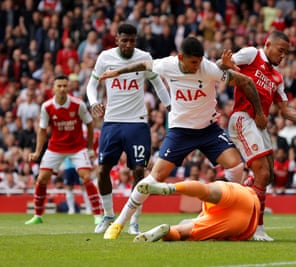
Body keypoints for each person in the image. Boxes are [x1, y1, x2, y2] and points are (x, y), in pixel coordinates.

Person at [98, 36, 267, 240]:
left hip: (208, 130)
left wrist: (259, 113)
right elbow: (143, 64)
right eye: (193, 62)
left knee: (236, 166)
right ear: (181, 58)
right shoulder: (167, 65)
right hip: (180, 132)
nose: (197, 66)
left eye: (199, 61)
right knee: (153, 178)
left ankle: (217, 213)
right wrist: (116, 72)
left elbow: (246, 81)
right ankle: (118, 223)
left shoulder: (209, 68)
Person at [218, 30, 296, 241]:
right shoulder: (251, 54)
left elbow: (286, 110)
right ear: (268, 44)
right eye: (280, 51)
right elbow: (222, 66)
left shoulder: (277, 78)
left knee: (268, 176)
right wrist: (224, 64)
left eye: (286, 53)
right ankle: (256, 229)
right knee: (262, 174)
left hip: (260, 125)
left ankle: (239, 195)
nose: (283, 56)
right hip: (243, 118)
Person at [86, 23, 171, 235]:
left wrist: (170, 106)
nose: (128, 44)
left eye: (132, 41)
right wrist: (94, 101)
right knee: (103, 169)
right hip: (112, 122)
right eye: (124, 40)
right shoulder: (105, 58)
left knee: (139, 171)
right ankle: (108, 215)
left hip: (137, 122)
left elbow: (157, 83)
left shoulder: (144, 57)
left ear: (136, 41)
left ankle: (134, 220)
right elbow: (91, 84)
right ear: (117, 40)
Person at [25, 74, 102, 225]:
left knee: (86, 177)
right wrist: (37, 152)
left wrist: (90, 148)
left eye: (64, 86)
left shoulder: (78, 104)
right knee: (41, 179)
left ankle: (98, 215)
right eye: (59, 86)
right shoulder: (47, 107)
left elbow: (90, 124)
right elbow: (42, 130)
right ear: (53, 88)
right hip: (55, 147)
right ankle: (38, 215)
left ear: (69, 87)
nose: (62, 89)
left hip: (77, 147)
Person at [132, 179, 260, 242]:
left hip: (241, 217)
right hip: (244, 205)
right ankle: (172, 187)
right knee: (205, 191)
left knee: (181, 232)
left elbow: (182, 232)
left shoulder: (206, 219)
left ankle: (168, 229)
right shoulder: (206, 218)